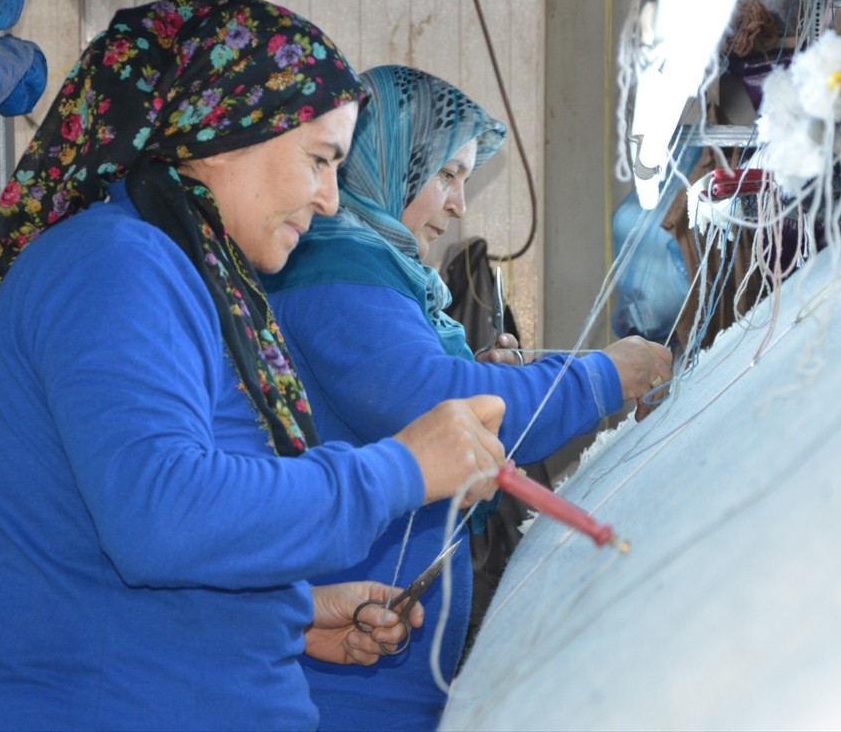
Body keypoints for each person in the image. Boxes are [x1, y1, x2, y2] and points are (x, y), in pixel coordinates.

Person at [0, 0, 506, 732]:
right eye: (320, 159)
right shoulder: (120, 267)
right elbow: (161, 512)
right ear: (227, 129)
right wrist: (400, 468)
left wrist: (290, 613)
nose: (330, 199)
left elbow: (95, 539)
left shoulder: (176, 271)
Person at [263, 65, 673, 730]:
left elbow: (401, 392)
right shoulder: (334, 275)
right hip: (343, 677)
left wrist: (484, 369)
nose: (459, 205)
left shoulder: (373, 274)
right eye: (447, 175)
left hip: (367, 648)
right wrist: (604, 376)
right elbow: (437, 403)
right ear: (390, 161)